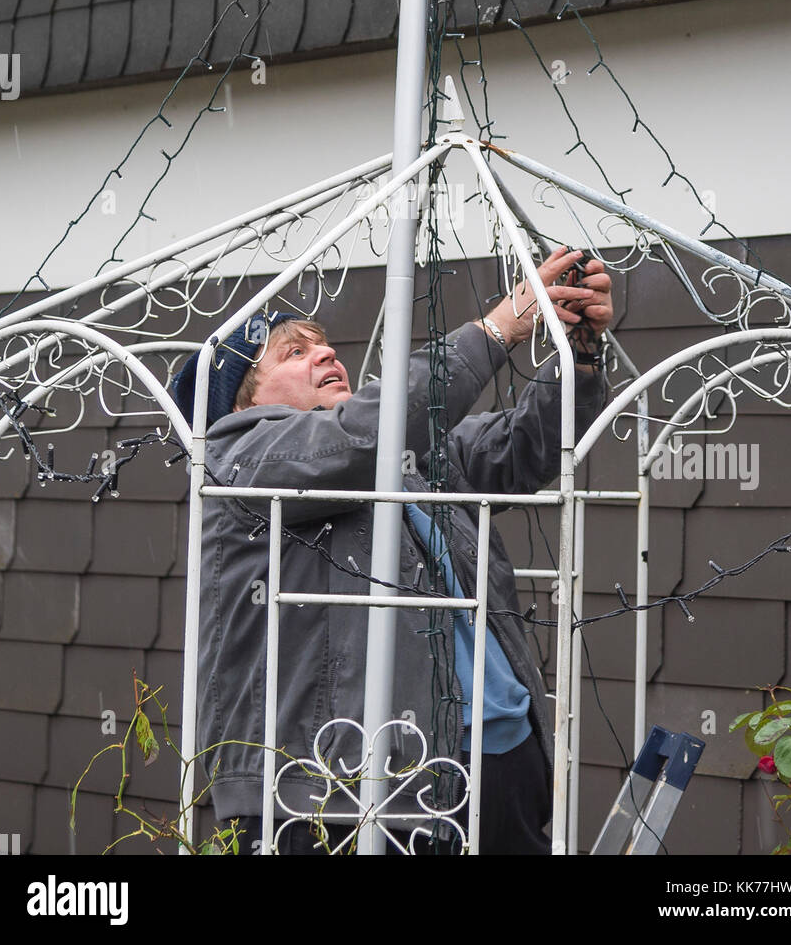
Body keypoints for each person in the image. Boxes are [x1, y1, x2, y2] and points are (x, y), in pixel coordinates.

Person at [172, 246, 613, 855]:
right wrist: (501, 325)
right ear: (244, 404)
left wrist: (578, 349)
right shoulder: (241, 457)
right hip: (339, 788)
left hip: (497, 756)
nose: (325, 353)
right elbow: (364, 435)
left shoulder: (409, 457)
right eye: (294, 352)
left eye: (322, 343)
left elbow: (527, 446)